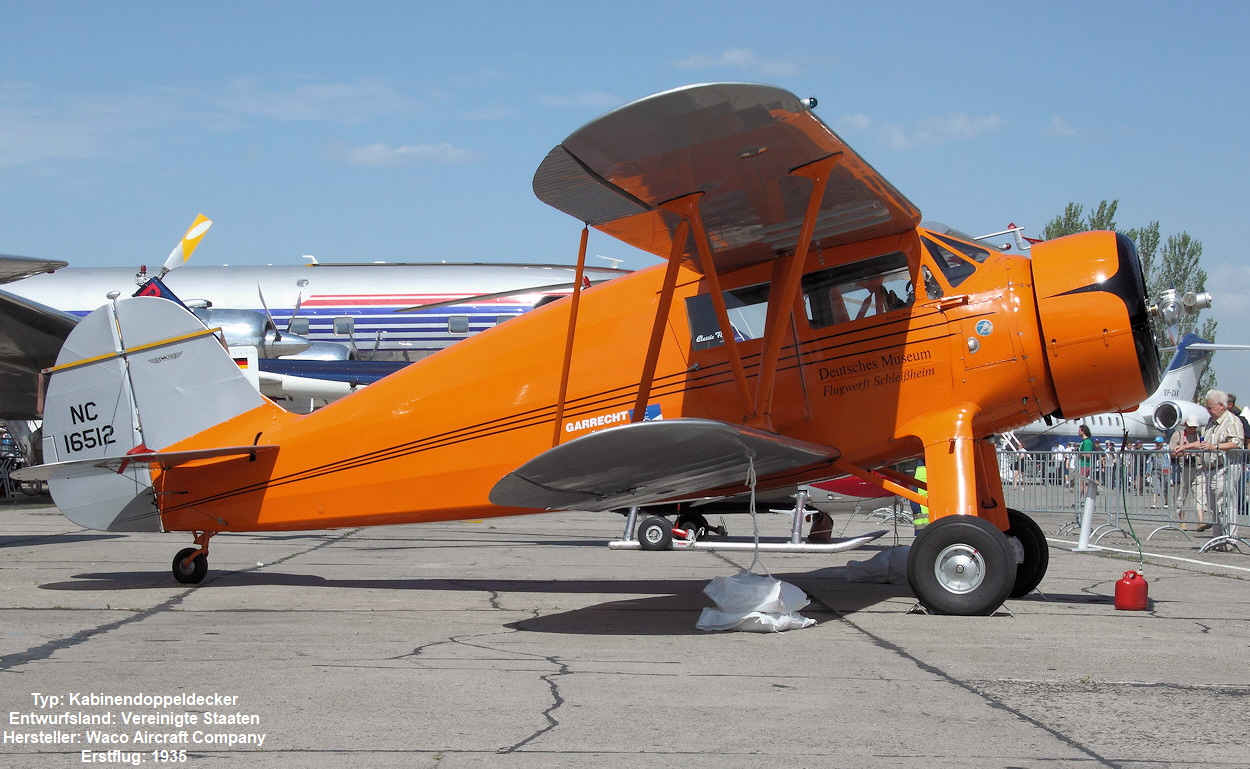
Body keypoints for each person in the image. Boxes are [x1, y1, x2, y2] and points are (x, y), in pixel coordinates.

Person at [1178, 390, 1244, 535]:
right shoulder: (1210, 423)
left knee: (1225, 504)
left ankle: (1229, 537)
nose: (1208, 411)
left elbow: (1236, 443)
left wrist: (1216, 447)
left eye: (1210, 408)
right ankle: (1218, 537)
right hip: (1211, 469)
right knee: (1214, 506)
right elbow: (1203, 443)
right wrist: (1185, 446)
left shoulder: (1232, 421)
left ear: (1221, 405)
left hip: (1226, 467)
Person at [1169, 415, 1203, 528]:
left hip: (1197, 468)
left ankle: (1201, 521)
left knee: (1200, 495)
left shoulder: (1198, 435)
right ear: (1185, 425)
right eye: (1191, 427)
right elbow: (1172, 452)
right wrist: (1184, 452)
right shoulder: (1177, 435)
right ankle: (1182, 521)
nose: (1192, 429)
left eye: (1194, 427)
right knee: (1180, 496)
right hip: (1182, 469)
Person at [1077, 425, 1095, 499]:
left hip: (1085, 465)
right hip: (1084, 464)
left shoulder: (1086, 442)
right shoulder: (1084, 442)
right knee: (1085, 483)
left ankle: (1079, 499)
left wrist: (1080, 454)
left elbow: (1088, 454)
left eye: (1079, 430)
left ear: (1083, 431)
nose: (1078, 432)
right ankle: (1085, 499)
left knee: (1082, 483)